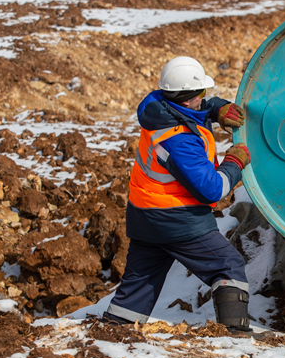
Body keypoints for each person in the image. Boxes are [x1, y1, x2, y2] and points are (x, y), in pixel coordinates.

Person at [104, 56, 256, 335]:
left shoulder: (158, 107)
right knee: (227, 264)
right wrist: (234, 163)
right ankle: (234, 336)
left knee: (141, 282)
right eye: (202, 93)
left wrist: (217, 108)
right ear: (187, 99)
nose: (204, 98)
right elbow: (212, 189)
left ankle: (114, 331)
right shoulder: (179, 141)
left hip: (144, 214)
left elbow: (193, 111)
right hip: (176, 218)